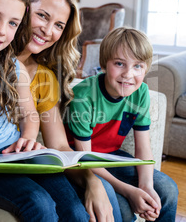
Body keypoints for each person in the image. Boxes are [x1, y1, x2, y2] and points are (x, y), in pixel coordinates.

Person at [0, 0, 122, 222]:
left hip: (19, 156)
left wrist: (92, 179)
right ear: (24, 10)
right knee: (41, 203)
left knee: (102, 195)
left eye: (59, 25)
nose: (48, 31)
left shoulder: (38, 75)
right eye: (43, 16)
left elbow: (56, 143)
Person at [65, 27, 179, 221]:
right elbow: (84, 158)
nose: (128, 74)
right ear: (104, 64)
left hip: (113, 158)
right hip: (82, 163)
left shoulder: (141, 92)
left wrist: (146, 186)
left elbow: (143, 148)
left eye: (138, 66)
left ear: (146, 69)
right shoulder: (83, 96)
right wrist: (128, 191)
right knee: (124, 209)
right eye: (119, 63)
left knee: (167, 190)